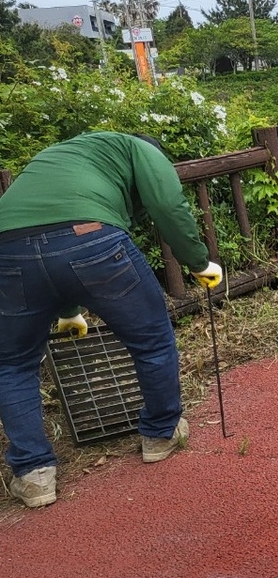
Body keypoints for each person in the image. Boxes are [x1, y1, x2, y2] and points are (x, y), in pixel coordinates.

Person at [0, 131, 222, 508]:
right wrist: (198, 263)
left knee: (11, 364)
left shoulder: (57, 155)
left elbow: (44, 238)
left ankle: (34, 474)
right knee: (151, 339)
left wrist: (69, 312)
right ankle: (160, 433)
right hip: (93, 238)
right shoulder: (140, 149)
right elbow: (168, 206)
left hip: (7, 250)